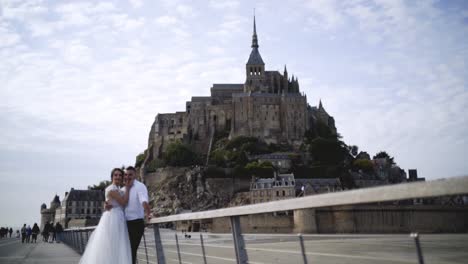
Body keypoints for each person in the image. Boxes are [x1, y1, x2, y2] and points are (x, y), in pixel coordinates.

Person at [79, 168, 132, 264]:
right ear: (112, 177)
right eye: (115, 175)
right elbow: (123, 203)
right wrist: (128, 188)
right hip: (113, 217)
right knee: (112, 244)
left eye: (120, 175)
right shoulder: (111, 189)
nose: (118, 177)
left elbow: (110, 202)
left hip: (117, 216)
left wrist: (106, 205)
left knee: (116, 244)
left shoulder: (117, 189)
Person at [122, 166, 151, 264]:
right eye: (126, 174)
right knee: (125, 251)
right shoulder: (122, 189)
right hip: (124, 224)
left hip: (136, 224)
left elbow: (144, 200)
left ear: (135, 175)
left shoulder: (140, 186)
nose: (128, 176)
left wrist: (148, 213)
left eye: (130, 174)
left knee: (131, 251)